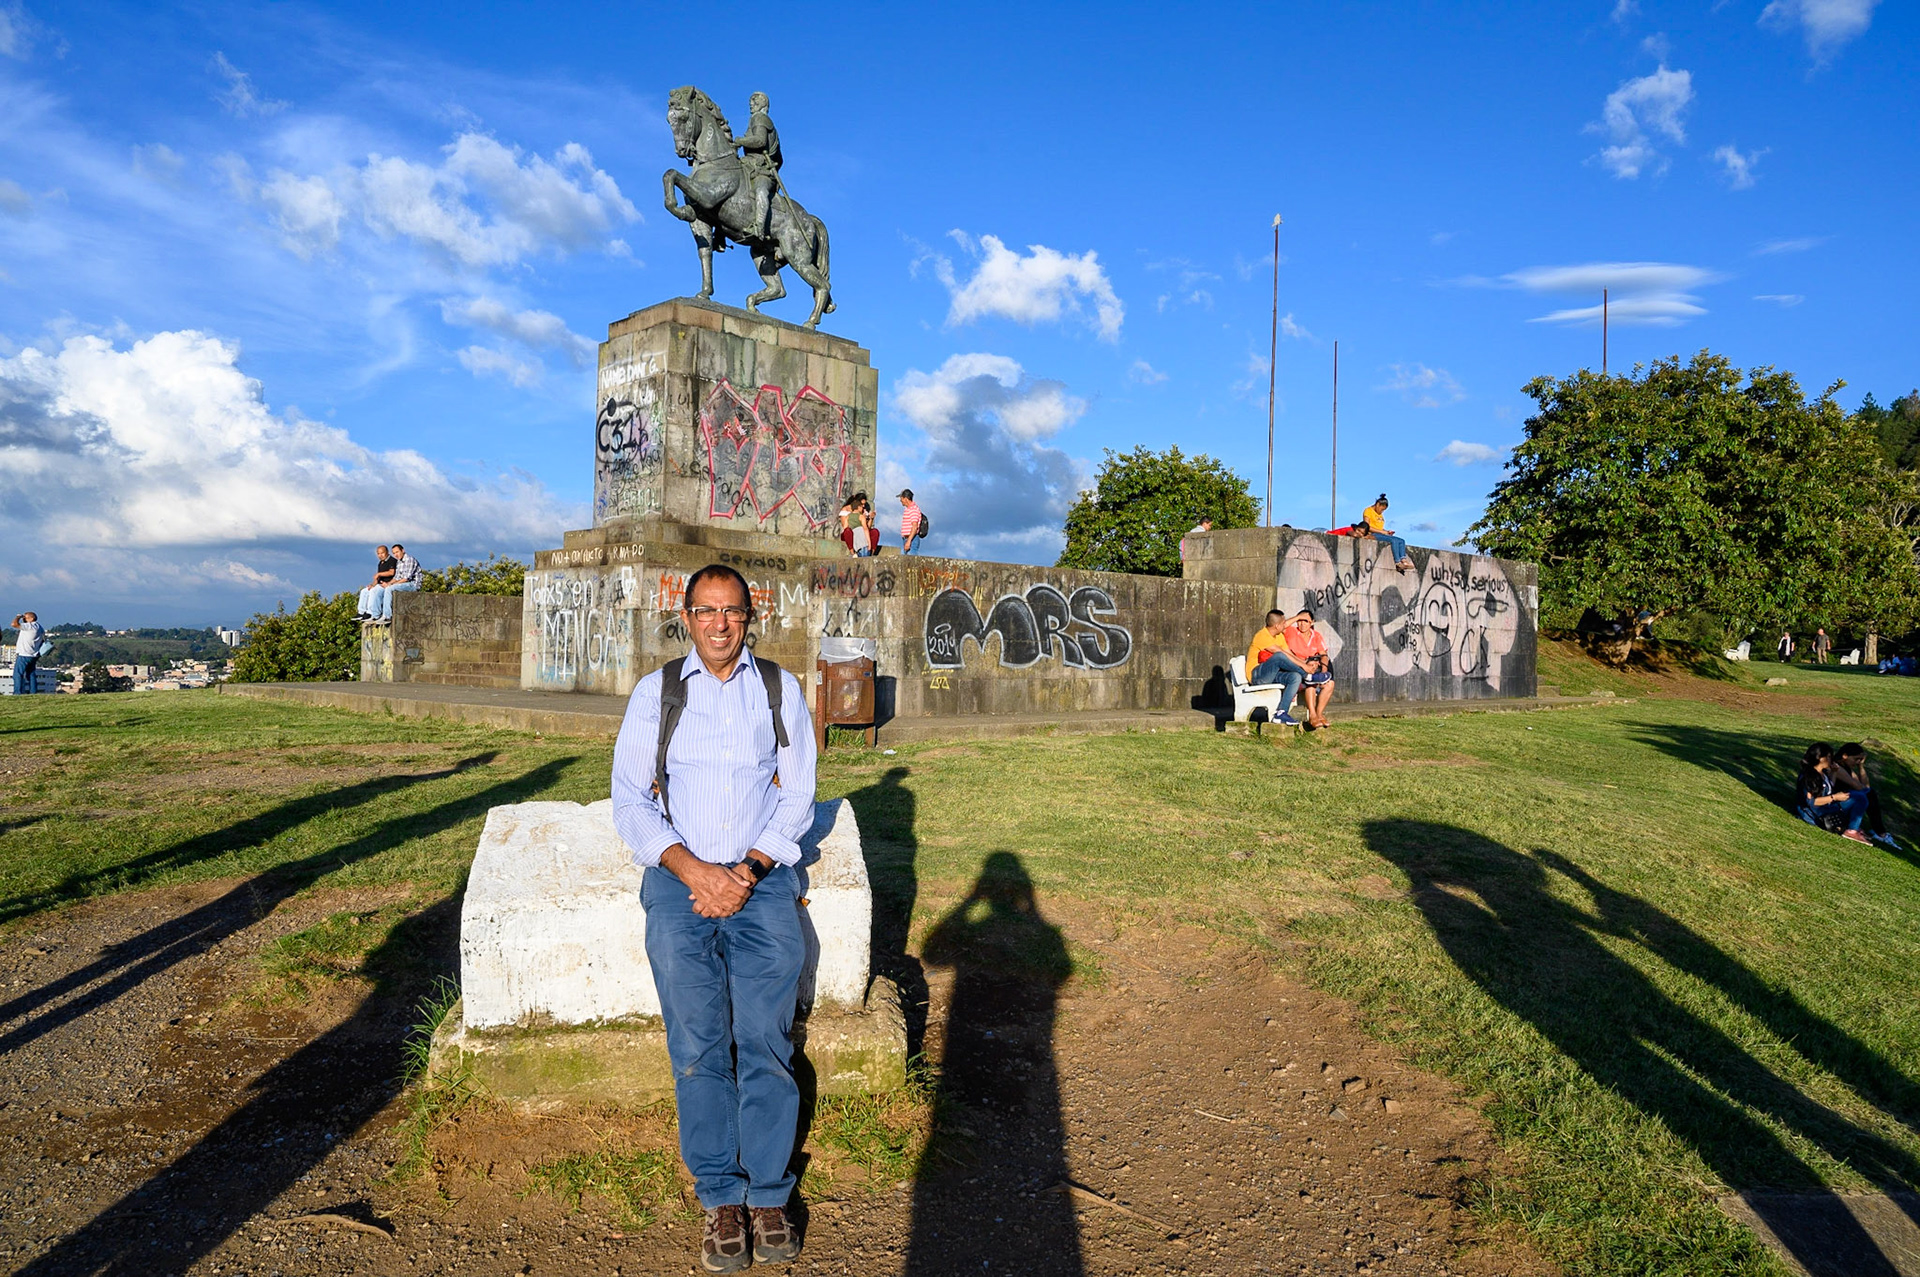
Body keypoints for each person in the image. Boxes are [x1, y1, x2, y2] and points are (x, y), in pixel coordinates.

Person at [610, 564, 817, 1274]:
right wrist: (696, 871)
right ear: (687, 616)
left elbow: (799, 798)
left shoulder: (779, 690)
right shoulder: (657, 693)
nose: (720, 624)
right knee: (698, 1042)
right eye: (706, 611)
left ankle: (766, 1191)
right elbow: (631, 800)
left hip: (760, 880)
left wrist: (747, 872)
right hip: (680, 883)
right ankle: (720, 1196)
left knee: (765, 1037)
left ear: (749, 616)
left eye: (732, 611)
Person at [1795, 743, 1871, 843]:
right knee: (1860, 798)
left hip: (1826, 807)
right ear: (1821, 758)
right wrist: (1834, 797)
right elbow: (1811, 802)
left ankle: (1853, 827)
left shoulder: (1823, 773)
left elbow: (1828, 789)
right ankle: (1852, 830)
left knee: (1862, 794)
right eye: (1829, 757)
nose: (1831, 759)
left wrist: (1834, 772)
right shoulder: (1809, 776)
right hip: (1814, 813)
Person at [1831, 742, 1900, 849]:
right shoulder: (1837, 767)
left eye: (1860, 759)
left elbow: (1865, 786)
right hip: (1834, 801)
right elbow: (1858, 787)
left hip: (1843, 800)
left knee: (1869, 793)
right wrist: (1865, 789)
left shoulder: (1847, 768)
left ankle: (1879, 831)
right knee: (1868, 795)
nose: (1857, 761)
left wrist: (1861, 767)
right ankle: (1879, 832)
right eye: (1856, 759)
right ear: (1845, 756)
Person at [1244, 608, 1305, 727]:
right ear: (1277, 626)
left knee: (1294, 677)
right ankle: (1307, 676)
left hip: (1271, 674)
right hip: (1257, 676)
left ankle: (1281, 713)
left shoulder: (1279, 636)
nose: (1285, 625)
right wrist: (1305, 669)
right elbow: (1282, 654)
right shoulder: (1262, 636)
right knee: (1279, 657)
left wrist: (1305, 663)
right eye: (1283, 623)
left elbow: (1290, 654)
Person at [735, 91, 782, 241]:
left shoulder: (760, 118)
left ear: (762, 104)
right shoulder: (755, 119)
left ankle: (759, 227)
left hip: (762, 170)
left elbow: (760, 141)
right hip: (749, 165)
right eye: (751, 103)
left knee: (761, 190)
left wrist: (740, 141)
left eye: (755, 102)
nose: (751, 105)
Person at [1286, 608, 1335, 729]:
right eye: (1300, 621)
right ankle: (1312, 716)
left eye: (1306, 621)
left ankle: (1319, 713)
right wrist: (1297, 617)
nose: (1302, 624)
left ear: (1312, 622)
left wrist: (1323, 672)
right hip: (1297, 667)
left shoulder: (1316, 636)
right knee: (1311, 684)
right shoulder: (1292, 632)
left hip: (1314, 668)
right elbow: (1281, 625)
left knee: (1329, 684)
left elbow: (1323, 655)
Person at [1358, 494, 1414, 573]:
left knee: (1401, 541)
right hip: (1373, 534)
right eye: (1382, 509)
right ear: (1378, 504)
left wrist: (1386, 532)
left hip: (1380, 533)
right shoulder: (1368, 511)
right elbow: (1367, 527)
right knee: (1393, 541)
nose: (1382, 511)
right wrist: (1382, 531)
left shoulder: (1380, 515)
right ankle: (1397, 562)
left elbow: (1379, 527)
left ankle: (1404, 561)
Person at [368, 543, 422, 624]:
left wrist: (391, 585)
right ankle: (375, 615)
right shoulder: (399, 562)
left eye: (397, 552)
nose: (396, 555)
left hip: (413, 584)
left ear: (403, 551)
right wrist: (389, 583)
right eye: (394, 553)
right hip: (404, 583)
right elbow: (396, 578)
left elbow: (406, 578)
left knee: (390, 589)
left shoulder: (410, 560)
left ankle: (387, 616)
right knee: (384, 588)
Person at [355, 545, 398, 620]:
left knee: (374, 591)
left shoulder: (392, 560)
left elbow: (391, 572)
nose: (380, 555)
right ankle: (361, 612)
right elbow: (377, 578)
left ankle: (371, 612)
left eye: (382, 553)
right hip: (379, 583)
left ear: (387, 552)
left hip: (387, 584)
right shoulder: (380, 563)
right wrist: (372, 585)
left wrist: (379, 574)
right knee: (364, 591)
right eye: (378, 554)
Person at [11, 610, 46, 695]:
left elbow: (14, 624)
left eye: (26, 618)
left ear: (31, 618)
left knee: (18, 674)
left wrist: (18, 617)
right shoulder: (39, 627)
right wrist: (24, 619)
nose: (24, 620)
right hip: (34, 654)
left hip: (24, 654)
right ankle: (33, 692)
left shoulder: (30, 626)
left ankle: (17, 693)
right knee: (31, 674)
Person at [899, 488, 925, 556]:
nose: (900, 500)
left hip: (911, 539)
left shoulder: (913, 509)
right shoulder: (909, 509)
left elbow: (914, 526)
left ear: (905, 498)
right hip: (907, 539)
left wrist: (909, 541)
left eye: (901, 498)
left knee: (910, 560)